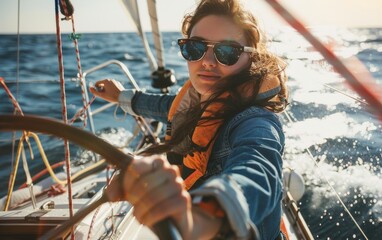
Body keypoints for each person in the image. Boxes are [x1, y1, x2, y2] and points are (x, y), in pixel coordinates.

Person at [90, 0, 288, 239]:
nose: (207, 61)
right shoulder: (199, 100)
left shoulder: (256, 122)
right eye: (195, 48)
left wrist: (205, 214)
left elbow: (259, 168)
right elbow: (164, 106)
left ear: (252, 58)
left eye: (227, 51)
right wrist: (120, 96)